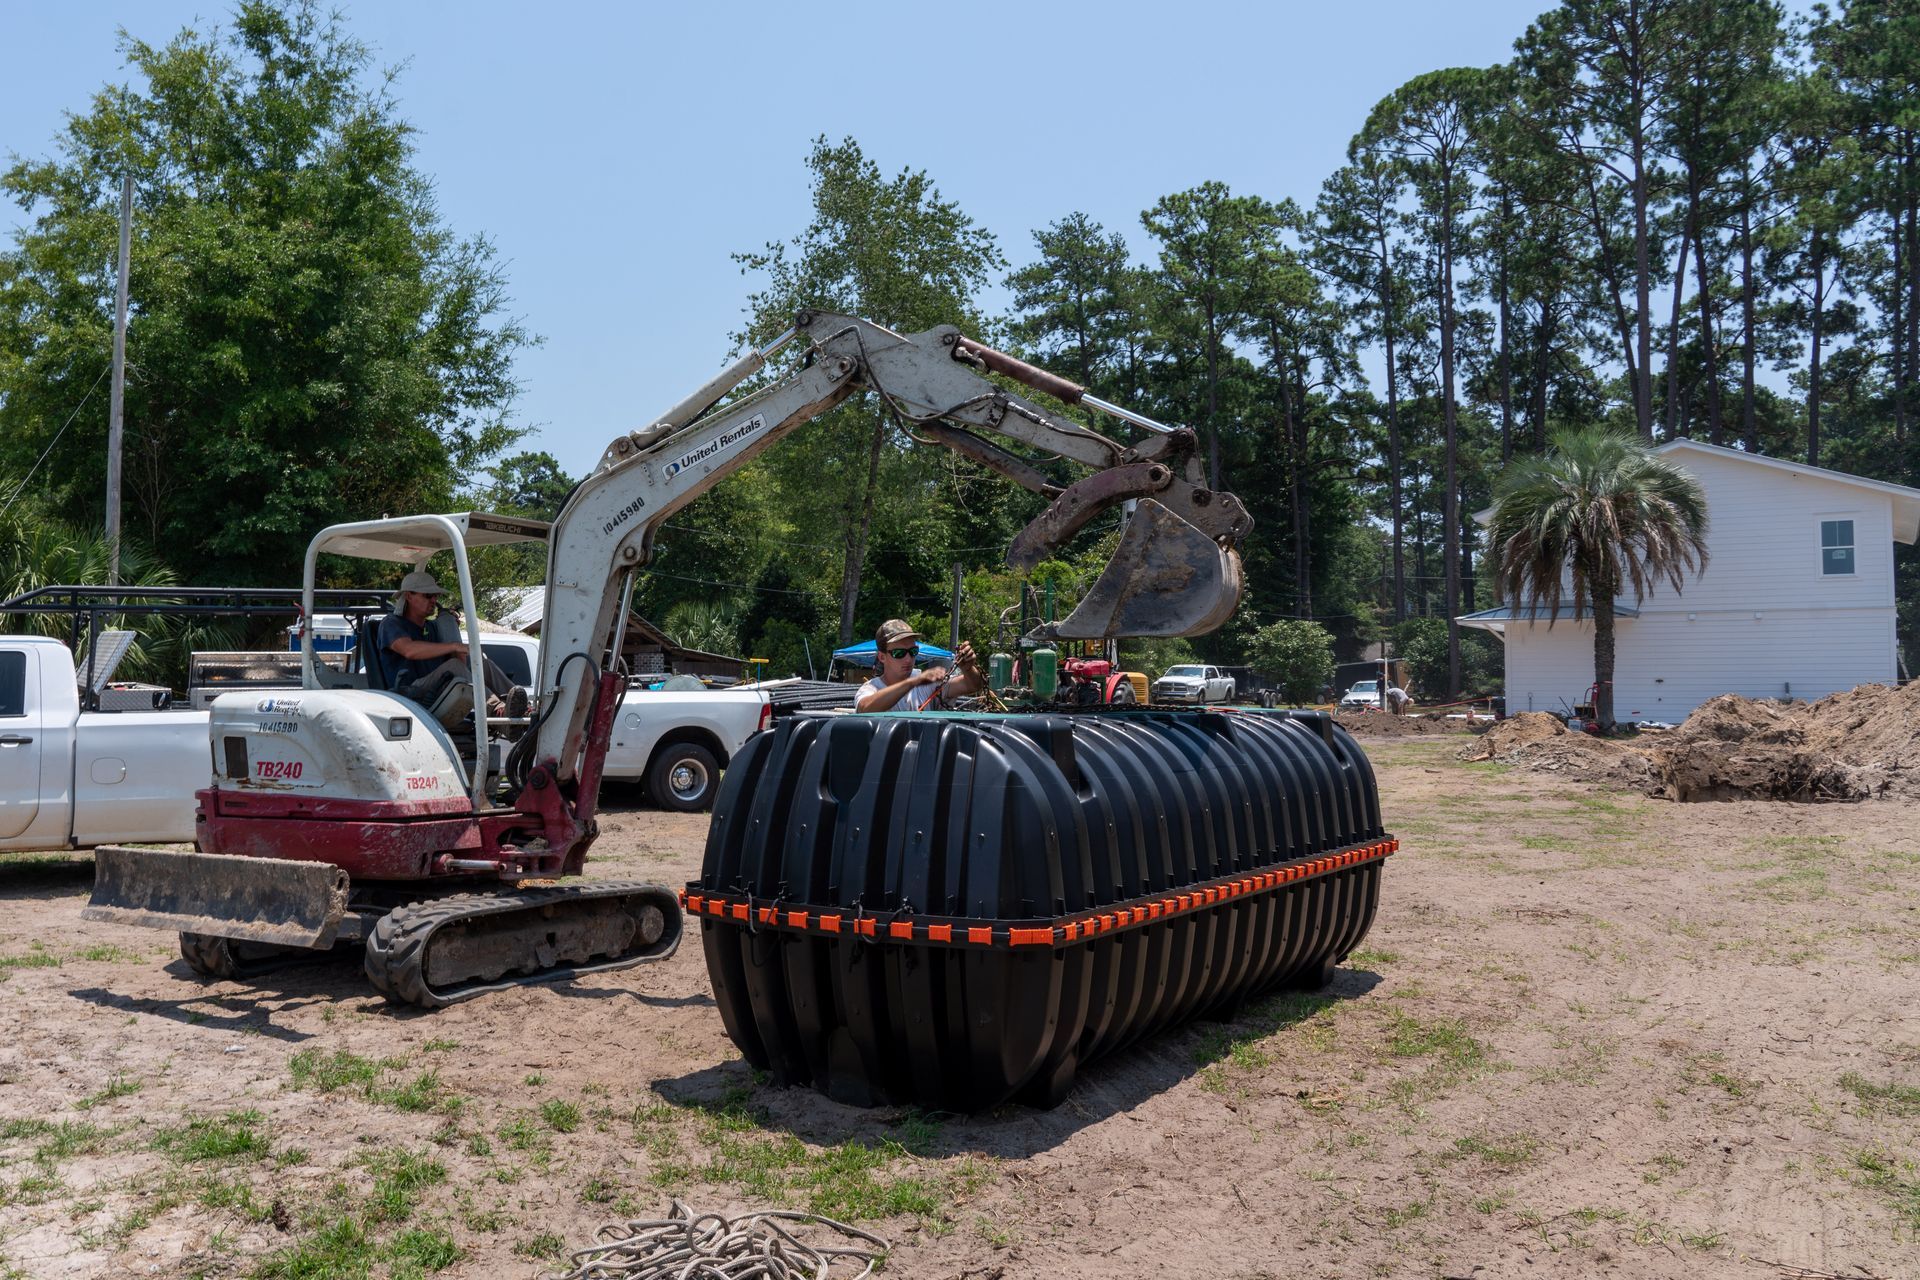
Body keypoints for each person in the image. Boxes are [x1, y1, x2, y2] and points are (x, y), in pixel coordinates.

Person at [378, 570, 523, 718]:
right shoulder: (392, 623)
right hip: (409, 691)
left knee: (484, 665)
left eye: (436, 596)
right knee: (453, 666)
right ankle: (497, 709)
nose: (434, 600)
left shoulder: (432, 627)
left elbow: (459, 662)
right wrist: (454, 645)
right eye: (428, 595)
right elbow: (409, 650)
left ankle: (519, 707)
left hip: (441, 686)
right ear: (409, 596)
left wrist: (452, 631)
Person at [855, 619, 984, 712]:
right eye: (899, 653)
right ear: (882, 657)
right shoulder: (871, 689)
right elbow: (865, 708)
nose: (908, 659)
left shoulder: (927, 683)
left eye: (913, 652)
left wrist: (967, 669)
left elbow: (972, 685)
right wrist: (912, 682)